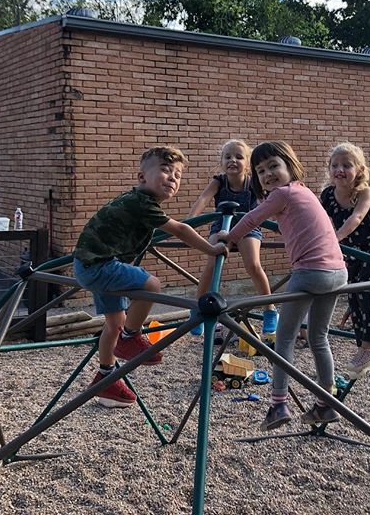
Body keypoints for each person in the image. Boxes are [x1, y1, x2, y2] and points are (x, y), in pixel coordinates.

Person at [73, 146, 228, 408]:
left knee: (114, 323)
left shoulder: (137, 202)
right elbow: (179, 229)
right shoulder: (142, 202)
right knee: (152, 284)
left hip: (90, 264)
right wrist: (212, 249)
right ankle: (131, 337)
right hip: (100, 265)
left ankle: (106, 376)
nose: (172, 178)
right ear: (142, 177)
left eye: (177, 175)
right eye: (165, 171)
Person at [219, 141, 347, 431]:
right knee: (319, 339)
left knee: (284, 340)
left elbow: (252, 218)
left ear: (290, 166)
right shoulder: (304, 193)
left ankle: (278, 405)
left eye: (274, 166)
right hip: (338, 273)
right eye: (261, 171)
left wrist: (227, 237)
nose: (268, 175)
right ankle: (326, 404)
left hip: (310, 272)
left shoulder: (282, 194)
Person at [188, 139, 276, 338]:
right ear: (221, 161)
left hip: (248, 226)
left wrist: (277, 221)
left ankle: (269, 309)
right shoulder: (219, 181)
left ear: (248, 163)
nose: (233, 160)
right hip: (221, 227)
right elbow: (203, 199)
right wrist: (190, 221)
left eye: (239, 157)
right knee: (211, 265)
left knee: (253, 265)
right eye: (228, 157)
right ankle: (197, 308)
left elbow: (265, 202)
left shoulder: (253, 182)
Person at [320, 142, 370, 380]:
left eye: (346, 165)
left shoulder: (364, 193)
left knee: (363, 291)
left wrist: (335, 238)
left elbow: (357, 217)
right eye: (335, 165)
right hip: (351, 251)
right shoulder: (328, 196)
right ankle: (368, 335)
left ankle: (369, 346)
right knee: (352, 293)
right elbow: (321, 221)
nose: (339, 169)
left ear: (359, 170)